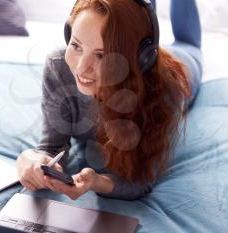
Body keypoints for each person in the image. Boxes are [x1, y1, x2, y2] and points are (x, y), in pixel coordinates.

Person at [16, 0, 202, 200]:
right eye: (76, 45)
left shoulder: (167, 89)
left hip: (182, 63)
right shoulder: (59, 67)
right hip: (131, 40)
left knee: (188, 43)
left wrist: (98, 182)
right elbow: (51, 148)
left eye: (101, 55)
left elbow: (142, 180)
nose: (80, 68)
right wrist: (31, 160)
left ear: (140, 58)